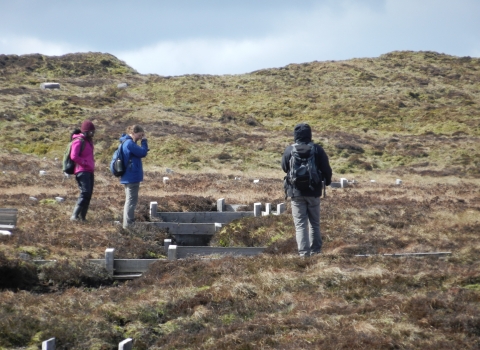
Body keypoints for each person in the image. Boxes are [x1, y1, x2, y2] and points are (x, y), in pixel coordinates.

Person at [282, 123, 332, 257]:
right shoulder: (317, 149)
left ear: (296, 135)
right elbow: (326, 169)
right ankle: (316, 252)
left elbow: (284, 167)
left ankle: (304, 254)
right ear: (309, 134)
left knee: (300, 225)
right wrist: (327, 181)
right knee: (314, 223)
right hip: (314, 191)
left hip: (296, 192)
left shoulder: (289, 150)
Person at [118, 125, 149, 229]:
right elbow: (143, 152)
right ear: (134, 133)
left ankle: (127, 223)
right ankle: (128, 225)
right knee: (131, 201)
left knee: (129, 200)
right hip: (131, 176)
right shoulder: (130, 143)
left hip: (128, 176)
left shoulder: (125, 142)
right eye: (140, 135)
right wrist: (144, 141)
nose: (140, 137)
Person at [70, 120, 96, 221]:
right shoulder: (78, 141)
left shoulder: (89, 141)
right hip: (82, 171)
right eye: (91, 132)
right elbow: (73, 156)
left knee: (88, 194)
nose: (93, 134)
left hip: (89, 170)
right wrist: (84, 162)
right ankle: (74, 215)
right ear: (86, 131)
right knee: (85, 192)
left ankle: (82, 217)